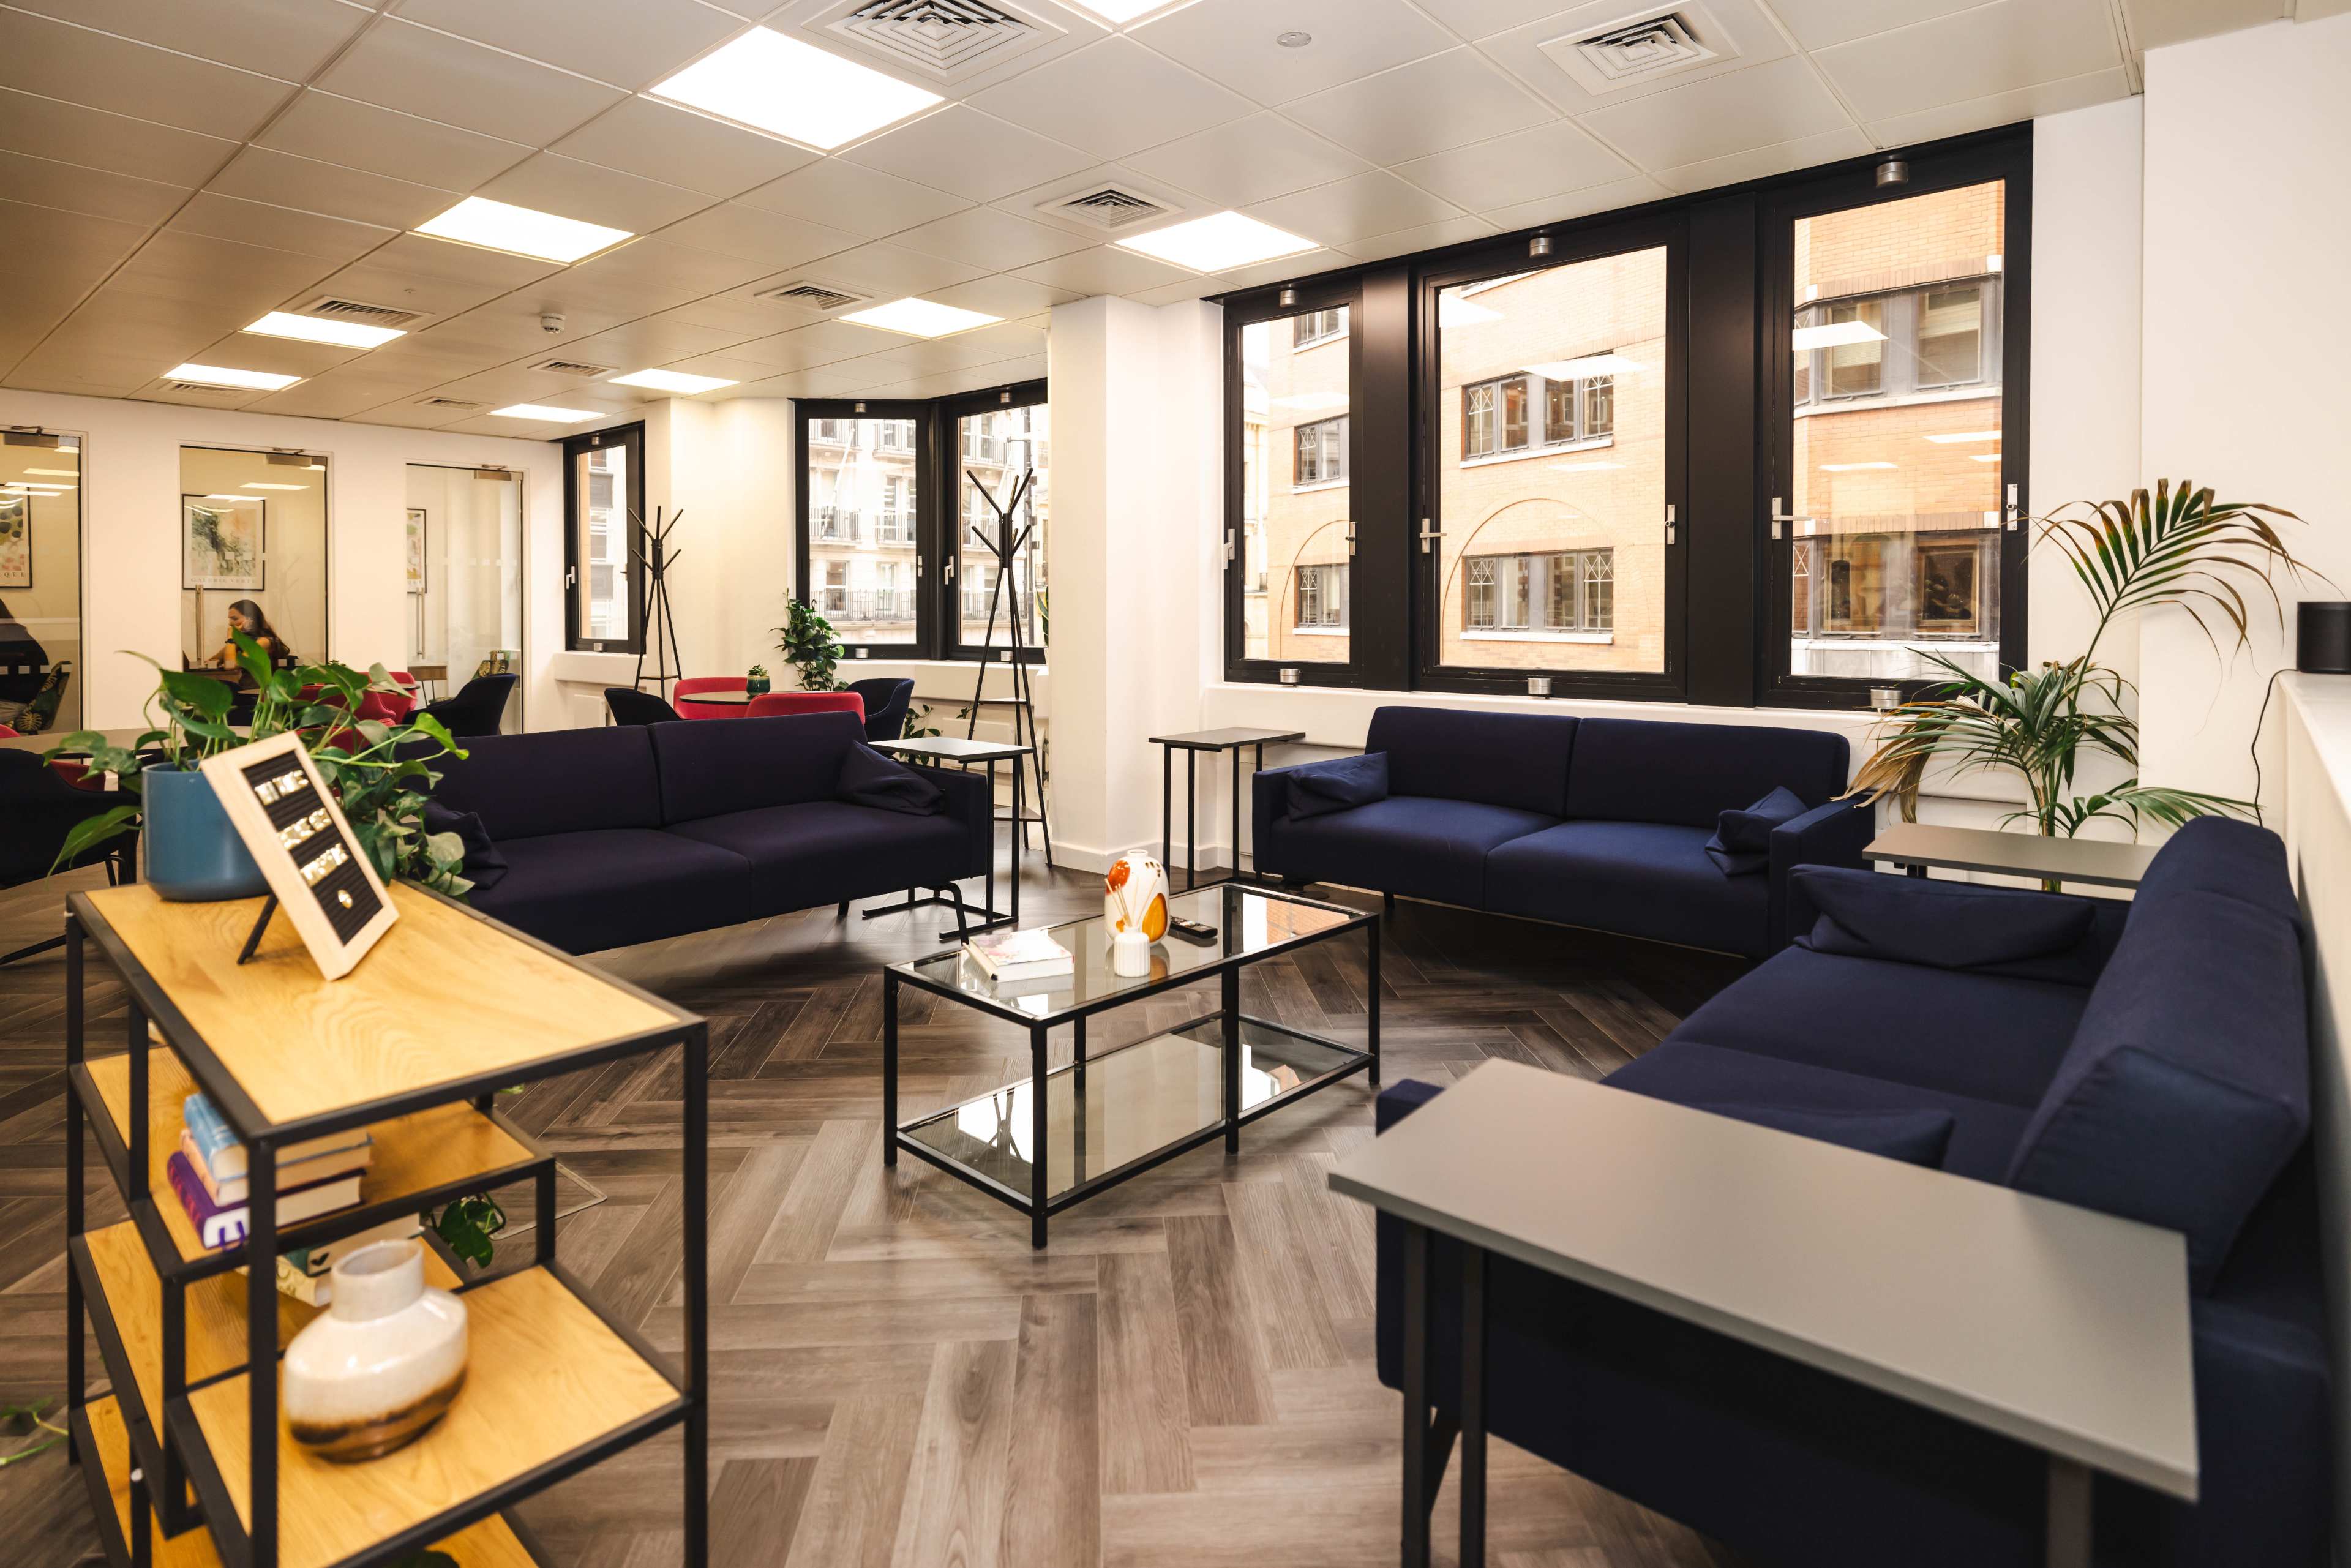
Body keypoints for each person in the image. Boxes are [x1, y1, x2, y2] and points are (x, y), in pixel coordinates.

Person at [209, 599, 293, 669]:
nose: (230, 623)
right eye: (230, 619)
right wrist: (216, 662)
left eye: (234, 619)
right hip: (243, 685)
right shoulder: (243, 641)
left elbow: (230, 666)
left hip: (259, 688)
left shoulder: (264, 642)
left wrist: (231, 639)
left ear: (251, 619)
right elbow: (210, 661)